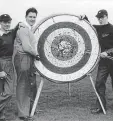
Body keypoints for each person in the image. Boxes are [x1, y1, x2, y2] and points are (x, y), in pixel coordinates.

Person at [80, 9, 113, 114]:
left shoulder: (112, 29)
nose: (100, 20)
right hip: (103, 63)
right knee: (99, 83)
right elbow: (89, 26)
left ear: (106, 17)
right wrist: (84, 17)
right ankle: (101, 106)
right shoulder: (98, 28)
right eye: (98, 18)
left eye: (102, 17)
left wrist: (107, 53)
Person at [14, 7, 40, 121]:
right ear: (25, 17)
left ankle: (29, 109)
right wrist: (36, 54)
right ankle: (22, 113)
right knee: (23, 85)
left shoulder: (29, 28)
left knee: (31, 83)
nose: (32, 19)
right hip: (23, 57)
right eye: (30, 16)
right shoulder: (23, 28)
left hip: (28, 58)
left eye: (34, 17)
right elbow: (26, 47)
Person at [0, 14, 19, 121]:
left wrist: (20, 24)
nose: (7, 24)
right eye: (5, 22)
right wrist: (0, 70)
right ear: (0, 23)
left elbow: (17, 28)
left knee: (9, 92)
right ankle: (1, 115)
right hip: (0, 63)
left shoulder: (11, 33)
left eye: (8, 22)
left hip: (9, 63)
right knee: (0, 90)